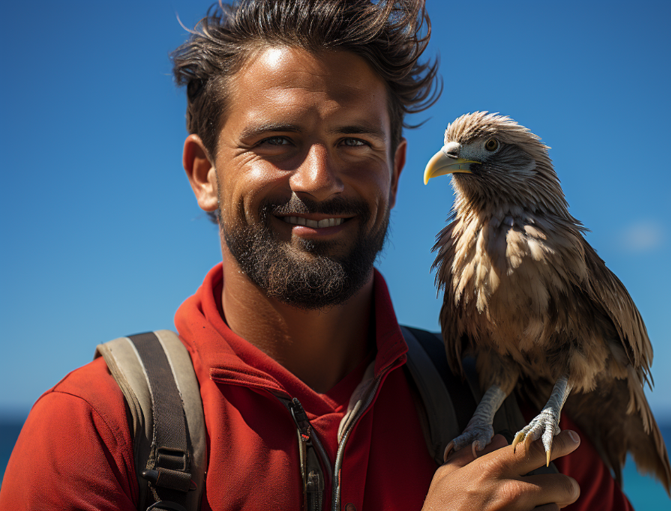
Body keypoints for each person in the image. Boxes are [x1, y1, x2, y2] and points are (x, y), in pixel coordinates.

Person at [0, 1, 633, 510]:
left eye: (354, 141)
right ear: (204, 173)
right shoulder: (94, 433)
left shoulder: (523, 423)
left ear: (395, 170)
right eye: (278, 141)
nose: (318, 180)